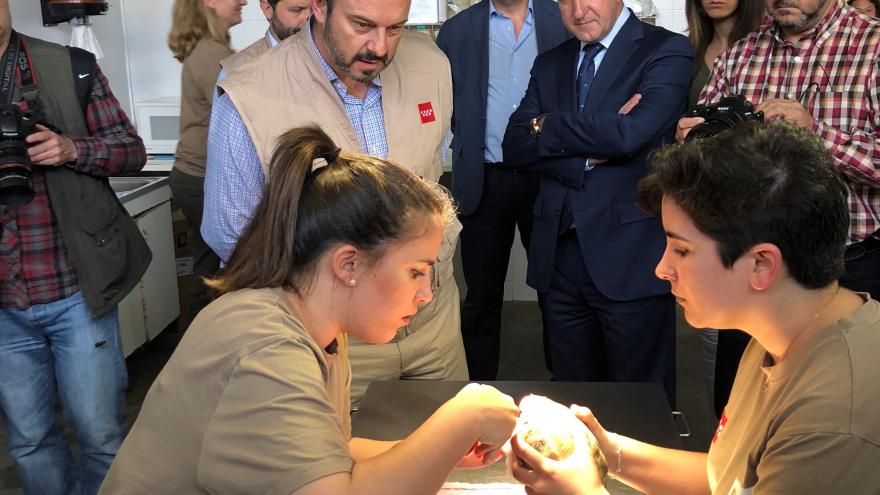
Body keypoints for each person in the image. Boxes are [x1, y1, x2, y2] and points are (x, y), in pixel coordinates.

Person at [98, 126, 519, 495]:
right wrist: (465, 414)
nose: (427, 294)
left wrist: (445, 453)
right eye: (414, 272)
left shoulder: (318, 327)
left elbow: (328, 454)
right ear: (348, 264)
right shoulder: (268, 348)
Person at [507, 121, 880, 495]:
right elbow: (727, 479)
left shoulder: (832, 422)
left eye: (681, 250)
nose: (661, 269)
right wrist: (602, 450)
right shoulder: (782, 332)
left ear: (761, 265)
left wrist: (582, 491)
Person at [203, 0, 468, 408]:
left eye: (395, 28)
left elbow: (435, 164)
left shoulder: (432, 64)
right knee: (344, 464)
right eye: (361, 25)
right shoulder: (249, 92)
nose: (379, 47)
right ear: (319, 7)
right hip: (334, 338)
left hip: (433, 322)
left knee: (452, 451)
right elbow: (234, 239)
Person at [677, 0, 880, 417]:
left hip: (850, 267)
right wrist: (693, 140)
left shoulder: (873, 47)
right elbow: (706, 153)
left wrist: (817, 134)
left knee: (847, 409)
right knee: (739, 409)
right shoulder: (741, 54)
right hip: (751, 269)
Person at [502, 0, 692, 405]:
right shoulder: (552, 61)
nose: (577, 9)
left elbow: (631, 134)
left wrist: (546, 126)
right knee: (571, 395)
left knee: (642, 399)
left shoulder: (665, 50)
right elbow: (515, 145)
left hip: (629, 256)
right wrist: (588, 152)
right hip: (559, 257)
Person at [0, 0, 149, 493]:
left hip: (75, 292)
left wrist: (71, 148)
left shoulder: (69, 65)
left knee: (100, 433)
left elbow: (131, 151)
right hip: (3, 305)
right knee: (27, 439)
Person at [435, 0, 570, 381]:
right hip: (484, 178)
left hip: (546, 176)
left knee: (556, 289)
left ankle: (567, 383)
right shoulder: (456, 31)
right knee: (481, 295)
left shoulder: (559, 20)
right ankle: (477, 388)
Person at [684, 0, 765, 416]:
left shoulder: (758, 44)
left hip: (775, 219)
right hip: (716, 212)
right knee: (726, 360)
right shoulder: (698, 52)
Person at [168, 0, 246, 330]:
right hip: (203, 178)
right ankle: (201, 352)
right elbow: (244, 116)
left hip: (193, 176)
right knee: (215, 273)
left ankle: (197, 352)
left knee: (207, 267)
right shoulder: (211, 55)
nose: (243, 1)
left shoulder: (208, 50)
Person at [221, 0, 311, 74]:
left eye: (314, 9)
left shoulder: (323, 58)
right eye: (297, 10)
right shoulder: (236, 71)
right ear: (267, 8)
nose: (309, 18)